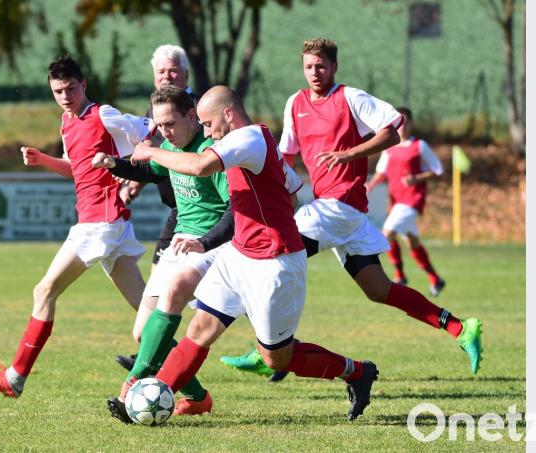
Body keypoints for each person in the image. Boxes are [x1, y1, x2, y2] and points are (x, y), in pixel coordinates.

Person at [112, 85, 380, 422]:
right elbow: (293, 191)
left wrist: (150, 152)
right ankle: (150, 398)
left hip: (274, 264)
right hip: (239, 255)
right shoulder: (255, 143)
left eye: (208, 124)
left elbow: (199, 166)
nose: (206, 132)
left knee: (276, 358)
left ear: (228, 114)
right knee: (200, 329)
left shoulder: (248, 139)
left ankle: (356, 372)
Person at [221, 38, 482, 377]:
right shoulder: (295, 103)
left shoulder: (351, 98)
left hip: (340, 205)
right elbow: (284, 155)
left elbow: (393, 132)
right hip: (336, 211)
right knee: (378, 289)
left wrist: (349, 154)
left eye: (321, 66)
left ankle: (266, 350)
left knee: (271, 261)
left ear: (334, 67)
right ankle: (461, 327)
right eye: (308, 67)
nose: (315, 72)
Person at [0, 56, 155, 397]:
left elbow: (152, 130)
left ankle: (14, 378)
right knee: (148, 314)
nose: (66, 96)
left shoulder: (103, 114)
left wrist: (128, 166)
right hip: (106, 223)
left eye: (71, 88)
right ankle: (195, 392)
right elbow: (76, 167)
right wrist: (42, 160)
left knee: (44, 291)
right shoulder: (66, 123)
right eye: (58, 90)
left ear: (84, 85)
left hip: (100, 222)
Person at [95, 85, 235, 420]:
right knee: (144, 333)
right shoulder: (172, 147)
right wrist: (115, 163)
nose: (162, 132)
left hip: (210, 247)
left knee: (167, 309)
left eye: (169, 123)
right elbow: (148, 170)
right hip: (179, 243)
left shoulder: (211, 152)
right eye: (158, 126)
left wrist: (206, 241)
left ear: (191, 116)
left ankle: (134, 384)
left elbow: (235, 211)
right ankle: (198, 398)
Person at [114, 44, 202, 372]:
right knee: (160, 280)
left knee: (227, 298)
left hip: (205, 211)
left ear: (185, 75)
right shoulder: (158, 112)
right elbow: (155, 157)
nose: (167, 76)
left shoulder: (199, 110)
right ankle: (152, 352)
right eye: (161, 72)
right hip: (179, 213)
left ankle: (277, 344)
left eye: (173, 71)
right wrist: (132, 177)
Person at [365, 107, 446, 295]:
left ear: (411, 124)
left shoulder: (419, 146)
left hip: (412, 200)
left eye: (406, 122)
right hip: (396, 201)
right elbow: (381, 172)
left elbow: (437, 169)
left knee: (387, 234)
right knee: (412, 241)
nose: (402, 126)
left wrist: (416, 179)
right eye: (399, 122)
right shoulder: (389, 147)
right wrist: (370, 186)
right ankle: (435, 279)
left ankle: (399, 276)